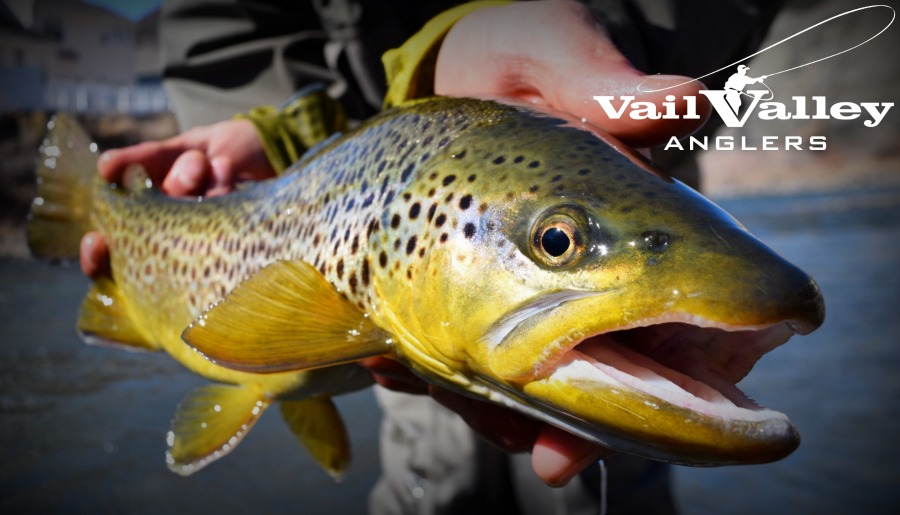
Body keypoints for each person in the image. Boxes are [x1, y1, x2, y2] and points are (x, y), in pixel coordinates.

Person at [79, 1, 784, 512]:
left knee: (598, 482)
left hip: (589, 149)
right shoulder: (375, 262)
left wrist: (619, 30)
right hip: (381, 164)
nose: (558, 246)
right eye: (558, 243)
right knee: (435, 485)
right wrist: (279, 117)